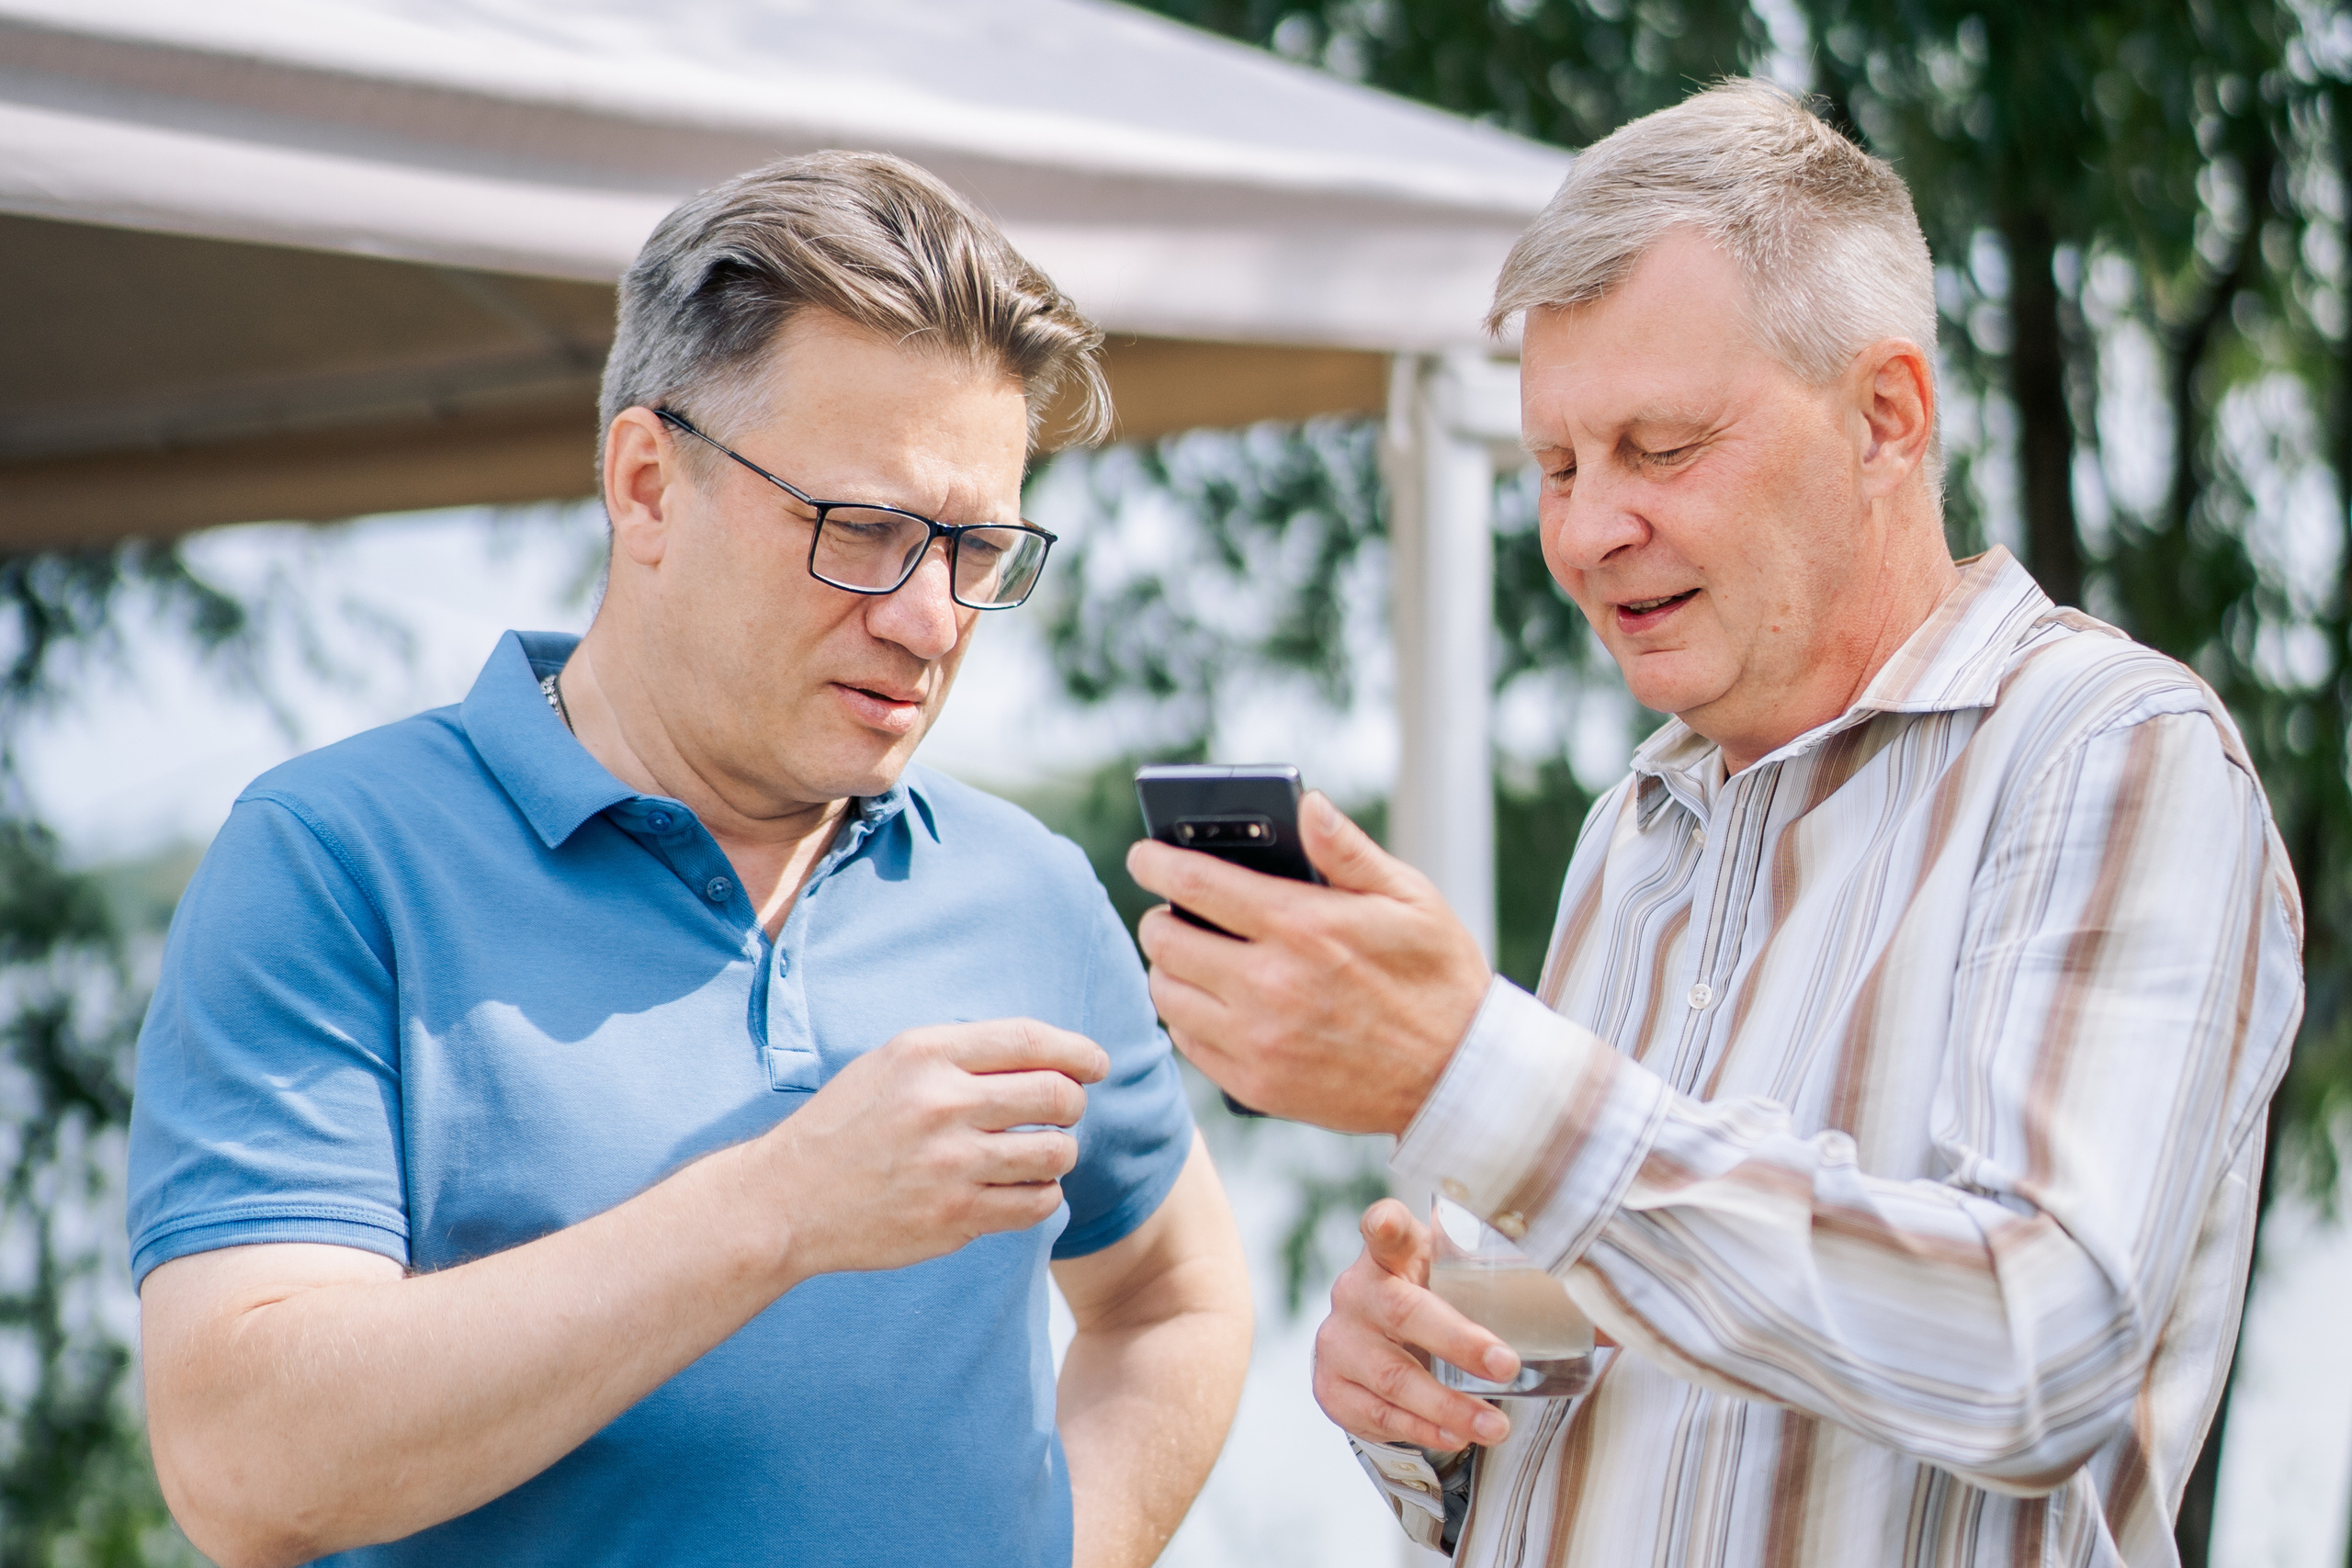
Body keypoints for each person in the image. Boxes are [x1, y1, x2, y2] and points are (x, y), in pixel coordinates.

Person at [1126, 80, 2301, 1566]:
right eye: (1555, 464)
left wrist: (1469, 1065)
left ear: (1887, 416)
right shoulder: (1641, 825)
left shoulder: (2112, 753)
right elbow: (1618, 1359)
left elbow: (2041, 1346)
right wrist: (1421, 1397)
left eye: (1659, 448)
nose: (1580, 530)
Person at [130, 151, 1251, 1568]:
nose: (932, 620)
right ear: (648, 484)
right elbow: (244, 1467)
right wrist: (783, 1207)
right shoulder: (335, 865)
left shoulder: (1024, 888)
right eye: (869, 531)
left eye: (977, 548)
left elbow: (1174, 1297)